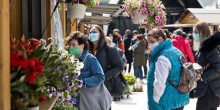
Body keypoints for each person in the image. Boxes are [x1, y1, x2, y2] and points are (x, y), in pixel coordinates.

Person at [147, 29, 189, 110]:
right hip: (180, 97)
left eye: (152, 42)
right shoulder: (177, 51)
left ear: (160, 39)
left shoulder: (162, 57)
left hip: (166, 101)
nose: (150, 45)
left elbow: (159, 83)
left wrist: (154, 102)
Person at [67, 31, 105, 109]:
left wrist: (81, 82)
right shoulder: (70, 59)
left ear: (82, 46)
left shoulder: (90, 59)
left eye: (74, 45)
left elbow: (100, 77)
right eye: (70, 45)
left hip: (87, 100)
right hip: (74, 99)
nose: (71, 47)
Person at [88, 25, 124, 105]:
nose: (91, 34)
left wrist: (103, 77)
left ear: (101, 34)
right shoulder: (88, 50)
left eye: (94, 32)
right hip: (90, 87)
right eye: (90, 32)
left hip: (105, 86)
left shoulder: (110, 49)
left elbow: (119, 67)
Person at [193, 22, 220, 110]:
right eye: (194, 32)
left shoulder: (209, 46)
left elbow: (218, 66)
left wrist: (203, 78)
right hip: (208, 88)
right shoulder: (205, 45)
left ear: (203, 31)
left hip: (209, 89)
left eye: (196, 32)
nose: (194, 34)